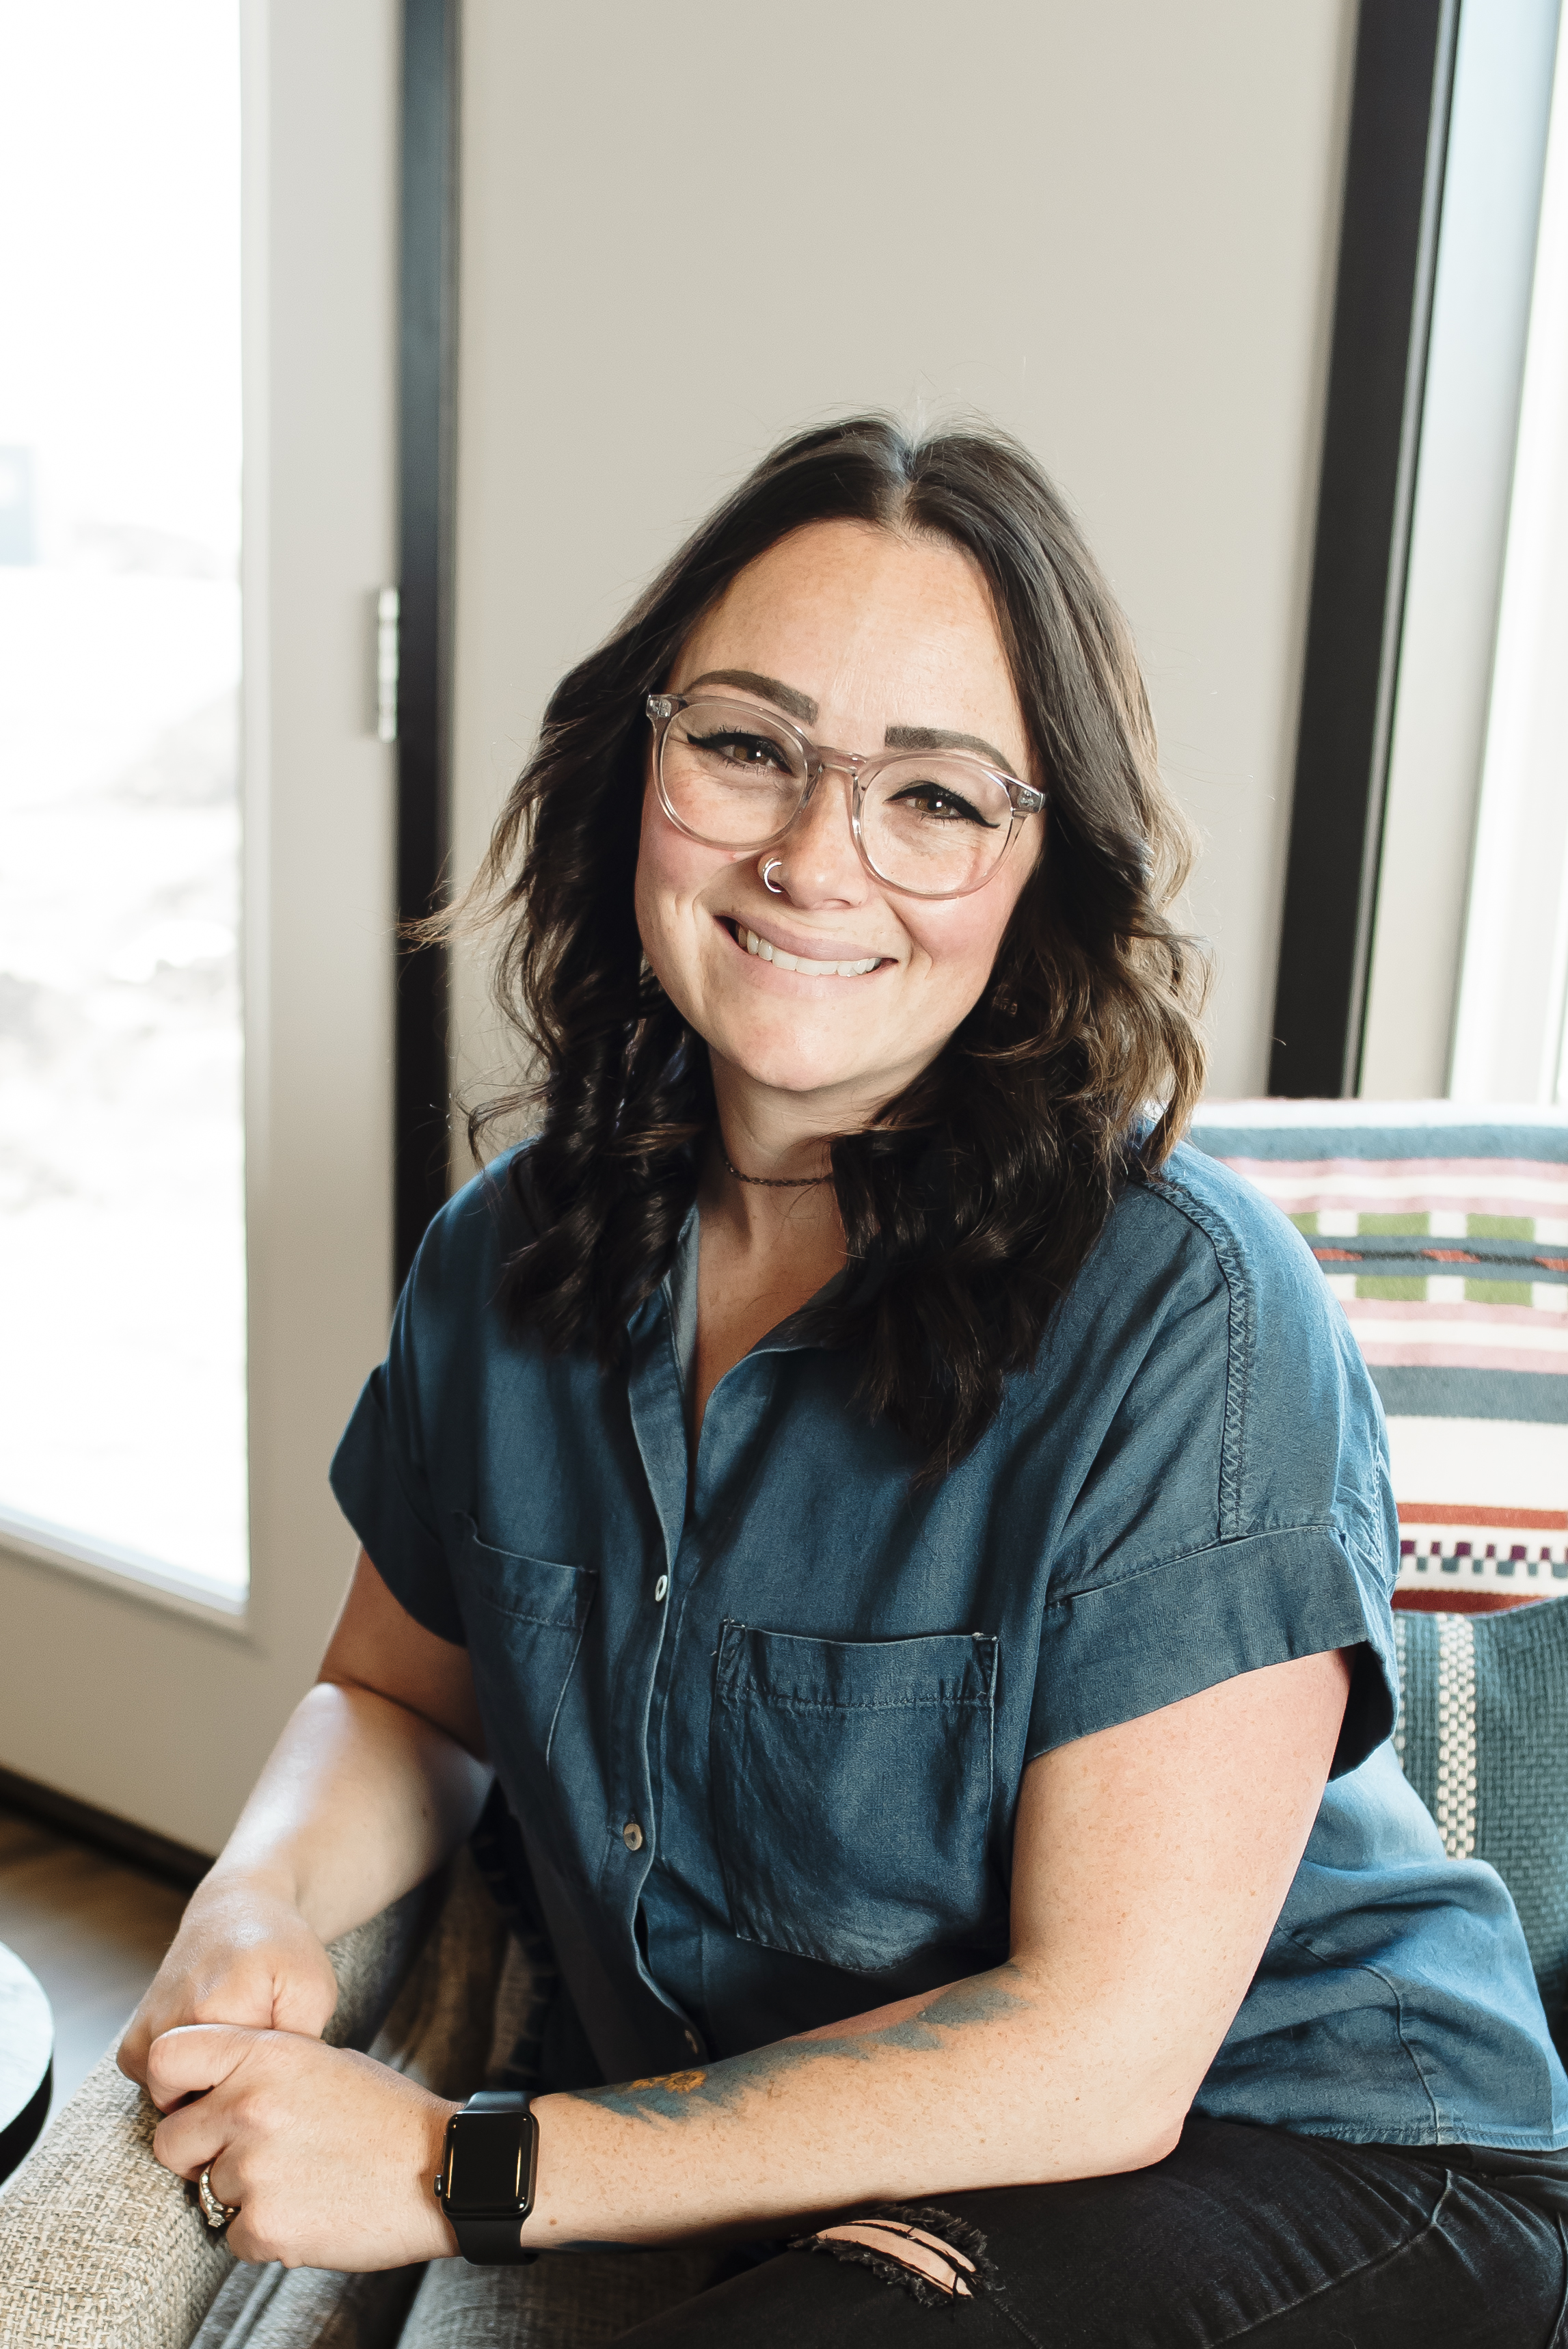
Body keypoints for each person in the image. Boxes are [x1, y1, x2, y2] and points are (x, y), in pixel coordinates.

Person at [122, 418, 1568, 2346]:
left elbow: (1100, 2055)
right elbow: (398, 1694)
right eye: (748, 746)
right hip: (842, 2184)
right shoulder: (501, 1260)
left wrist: (469, 2165)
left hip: (1312, 2149)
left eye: (936, 796)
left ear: (1041, 873)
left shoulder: (1191, 1313)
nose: (814, 858)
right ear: (639, 764)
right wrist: (253, 1898)